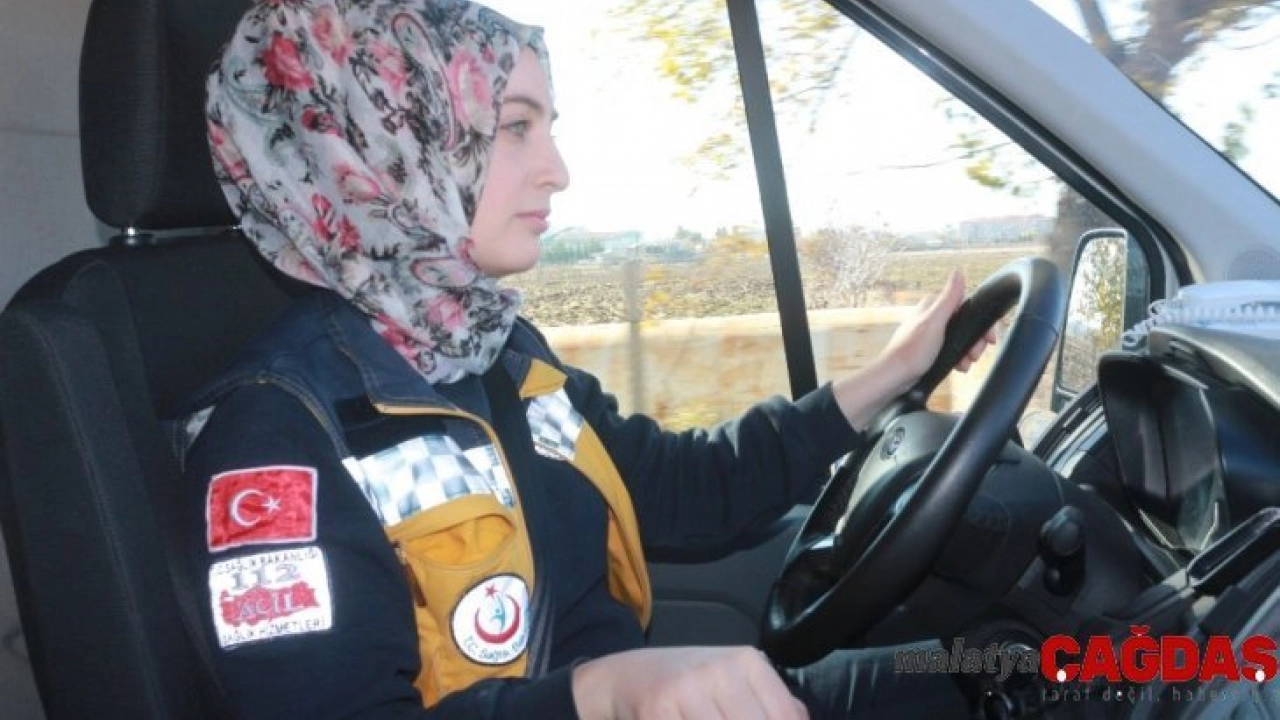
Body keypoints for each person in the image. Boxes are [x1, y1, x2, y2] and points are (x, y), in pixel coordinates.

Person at [180, 0, 992, 717]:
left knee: (1025, 666)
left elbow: (685, 487)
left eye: (549, 127)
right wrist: (599, 696)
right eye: (515, 127)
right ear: (384, 144)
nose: (558, 172)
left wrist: (891, 374)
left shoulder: (497, 353)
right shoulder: (276, 439)